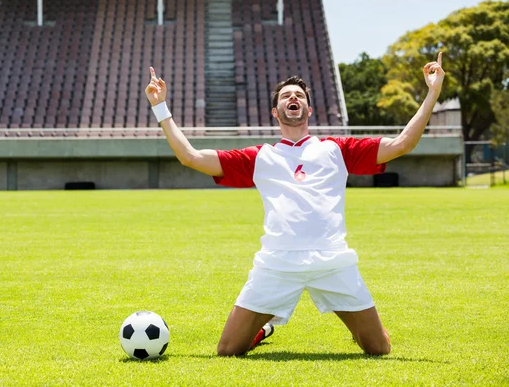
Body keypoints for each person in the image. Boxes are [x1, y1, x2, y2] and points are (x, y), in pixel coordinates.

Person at [144, 53, 445, 356]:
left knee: (378, 348)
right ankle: (264, 327)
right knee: (228, 350)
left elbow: (403, 143)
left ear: (308, 109)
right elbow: (190, 157)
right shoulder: (260, 157)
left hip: (332, 260)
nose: (293, 98)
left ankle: (360, 326)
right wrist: (160, 106)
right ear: (275, 112)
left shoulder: (337, 149)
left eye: (299, 95)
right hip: (277, 263)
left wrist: (433, 91)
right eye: (287, 96)